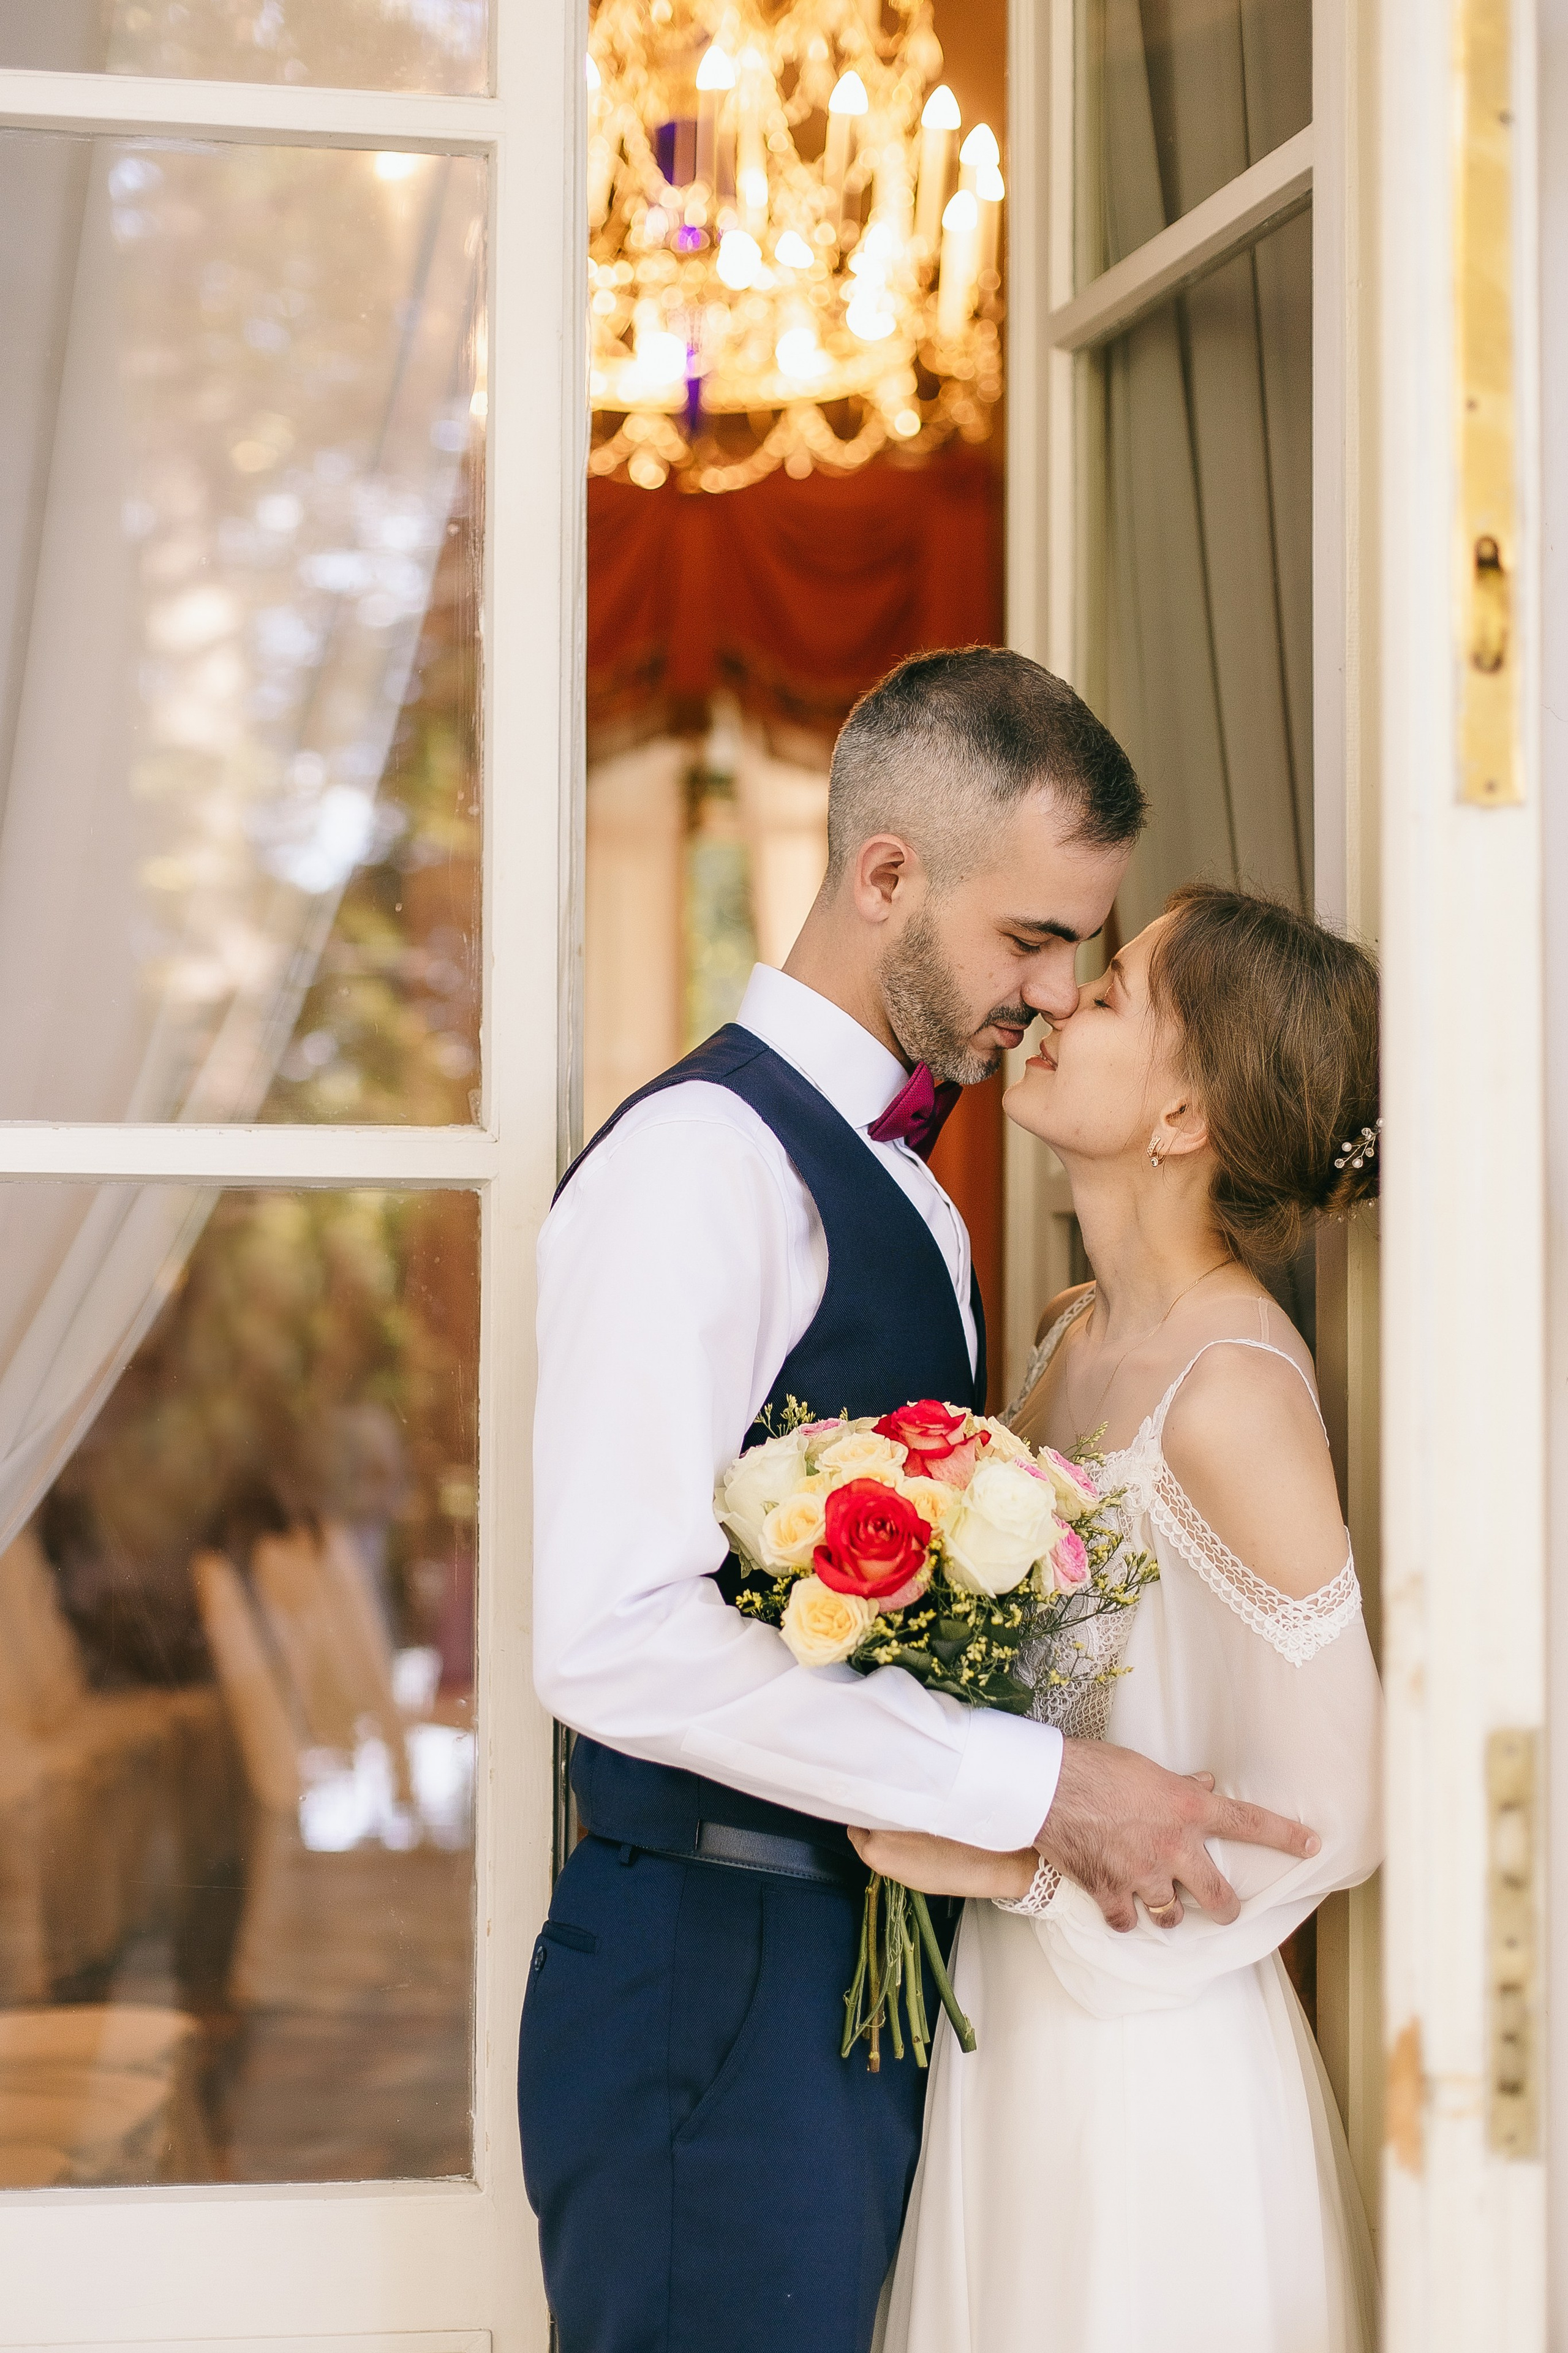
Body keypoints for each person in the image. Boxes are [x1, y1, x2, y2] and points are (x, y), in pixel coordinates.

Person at [520, 650, 1322, 2353]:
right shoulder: (699, 1168)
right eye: (1031, 937)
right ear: (886, 874)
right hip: (712, 1996)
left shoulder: (917, 1190)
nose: (1053, 992)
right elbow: (609, 1636)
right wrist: (1042, 1789)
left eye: (1082, 952)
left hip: (866, 1996)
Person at [857, 884, 1383, 2353]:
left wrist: (1011, 1861)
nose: (1056, 1001)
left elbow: (1341, 1810)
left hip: (1150, 2078)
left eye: (1111, 994)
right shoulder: (1070, 1332)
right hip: (1018, 2037)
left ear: (1182, 1115)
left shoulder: (1230, 1392)